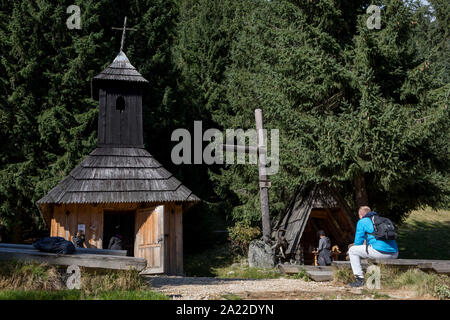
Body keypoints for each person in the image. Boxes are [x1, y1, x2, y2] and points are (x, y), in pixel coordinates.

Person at [348, 206, 398, 287]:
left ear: (360, 215)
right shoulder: (381, 220)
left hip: (380, 253)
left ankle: (359, 279)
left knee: (352, 250)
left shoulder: (362, 221)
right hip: (395, 253)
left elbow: (358, 242)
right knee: (370, 249)